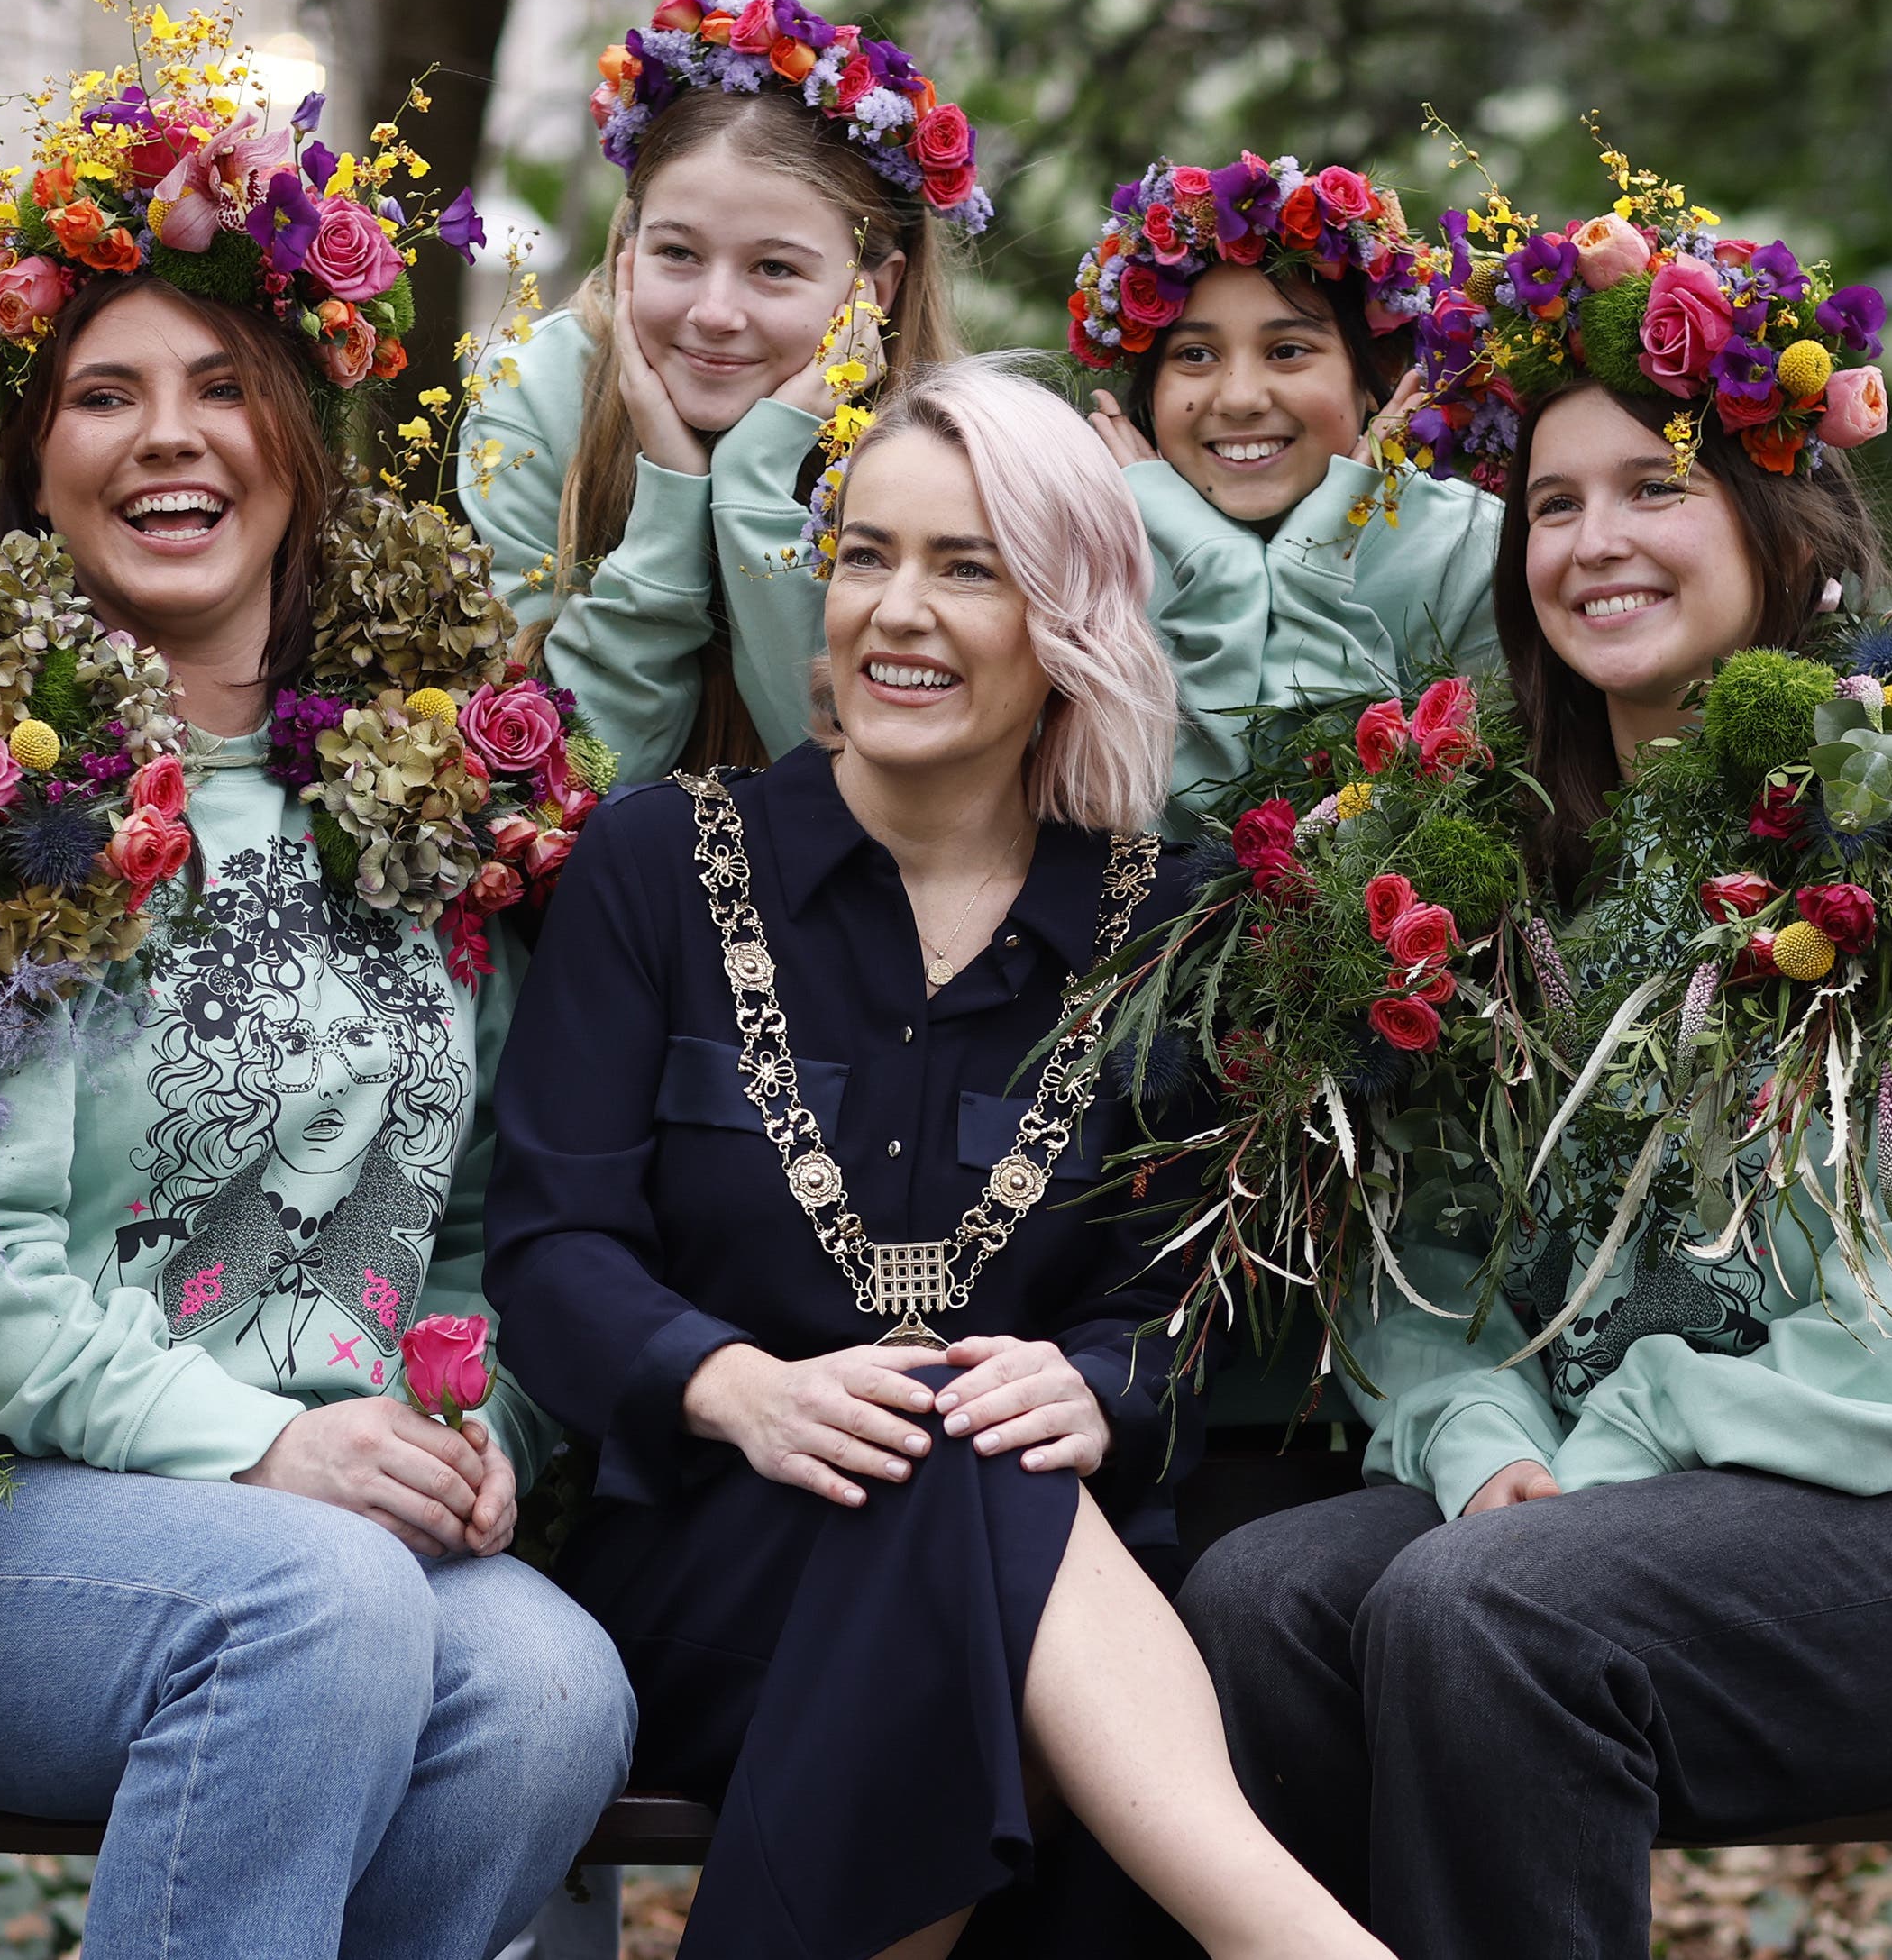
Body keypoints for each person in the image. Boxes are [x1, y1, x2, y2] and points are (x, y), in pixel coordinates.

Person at [0, 77, 634, 1960]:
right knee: (318, 1607)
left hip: (327, 1530)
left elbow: (483, 1222)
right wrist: (258, 1447)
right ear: (34, 458)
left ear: (300, 441)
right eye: (103, 392)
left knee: (554, 1687)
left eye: (222, 386)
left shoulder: (421, 791)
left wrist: (471, 1423)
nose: (173, 438)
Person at [1176, 212, 1892, 1956]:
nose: (1592, 541)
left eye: (1651, 487)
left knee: (1485, 1604)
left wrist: (1601, 1447)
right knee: (1262, 1595)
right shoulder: (1474, 853)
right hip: (1562, 1502)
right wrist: (1477, 1429)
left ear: (1775, 519)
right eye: (1550, 503)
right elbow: (1415, 1250)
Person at [486, 357, 1394, 1960]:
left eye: (966, 567)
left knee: (968, 1459)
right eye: (867, 555)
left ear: (1066, 623)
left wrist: (1096, 1384)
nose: (896, 611)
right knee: (953, 1485)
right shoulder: (653, 865)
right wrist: (728, 1384)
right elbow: (550, 1246)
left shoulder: (1167, 924)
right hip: (712, 1567)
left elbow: (1196, 1304)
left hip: (1036, 1582)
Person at [457, 0, 975, 780]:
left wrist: (756, 475)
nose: (714, 312)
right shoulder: (538, 392)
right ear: (628, 247)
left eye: (774, 268)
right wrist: (669, 495)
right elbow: (577, 781)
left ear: (872, 291)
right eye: (678, 253)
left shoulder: (947, 450)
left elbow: (845, 775)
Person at [1069, 153, 1504, 808]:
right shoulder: (1083, 559)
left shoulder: (1472, 550)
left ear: (1372, 373)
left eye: (1286, 351)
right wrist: (1218, 565)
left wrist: (1315, 558)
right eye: (1194, 355)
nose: (1240, 397)